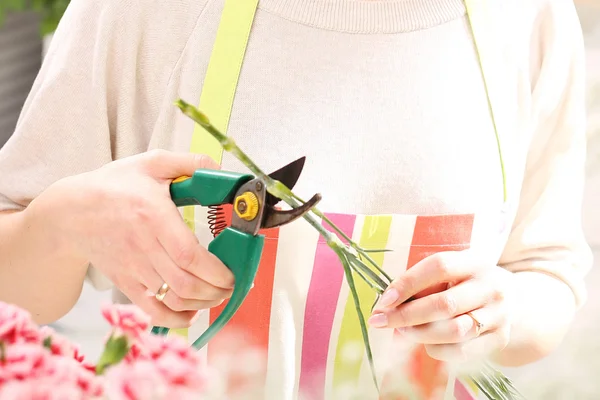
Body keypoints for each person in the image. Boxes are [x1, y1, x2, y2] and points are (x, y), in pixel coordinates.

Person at [0, 0, 593, 398]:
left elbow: (550, 274)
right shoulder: (143, 13)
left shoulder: (526, 16)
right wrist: (63, 223)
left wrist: (502, 311)